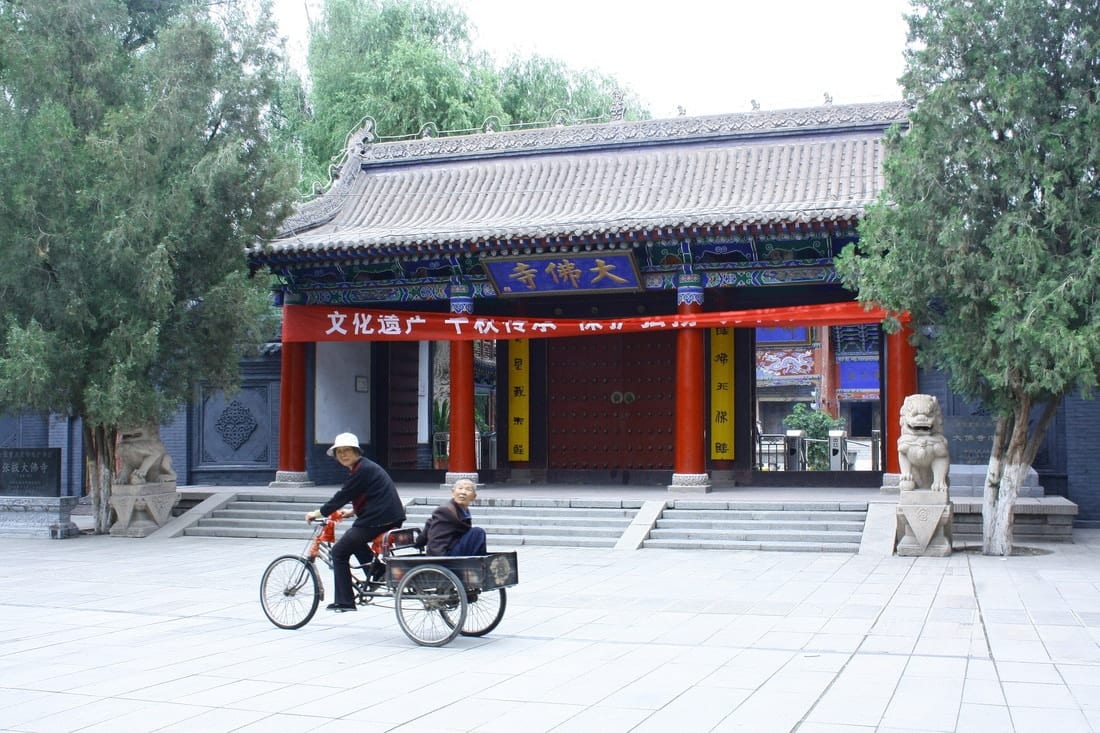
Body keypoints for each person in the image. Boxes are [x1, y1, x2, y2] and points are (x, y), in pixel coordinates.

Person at [305, 433, 405, 612]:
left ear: (357, 452)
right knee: (353, 540)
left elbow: (343, 495)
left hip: (379, 519)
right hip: (387, 516)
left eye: (347, 451)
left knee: (338, 551)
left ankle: (345, 601)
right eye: (339, 452)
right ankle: (377, 572)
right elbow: (371, 494)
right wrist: (351, 512)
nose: (343, 455)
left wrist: (318, 513)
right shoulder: (365, 468)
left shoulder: (362, 470)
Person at [416, 478, 487, 556]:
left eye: (468, 489)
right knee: (478, 532)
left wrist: (419, 541)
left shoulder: (463, 510)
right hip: (443, 556)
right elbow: (433, 542)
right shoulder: (445, 511)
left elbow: (429, 525)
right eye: (460, 488)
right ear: (453, 493)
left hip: (453, 547)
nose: (463, 492)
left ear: (474, 496)